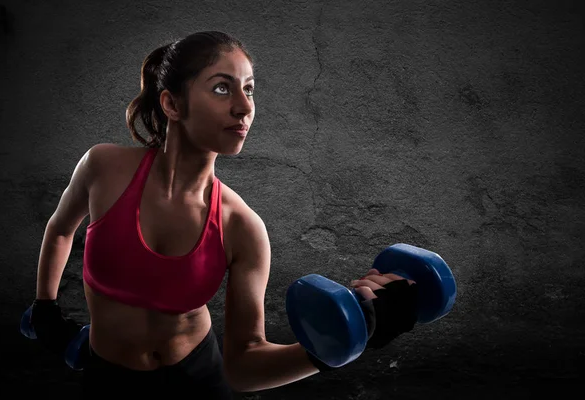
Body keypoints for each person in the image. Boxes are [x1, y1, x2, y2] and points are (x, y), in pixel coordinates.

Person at [28, 31, 417, 398]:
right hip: (107, 379)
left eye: (249, 89)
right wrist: (45, 310)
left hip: (198, 381)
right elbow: (61, 229)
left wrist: (344, 343)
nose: (244, 107)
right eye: (221, 88)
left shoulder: (241, 226)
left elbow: (244, 365)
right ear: (172, 104)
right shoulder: (103, 168)